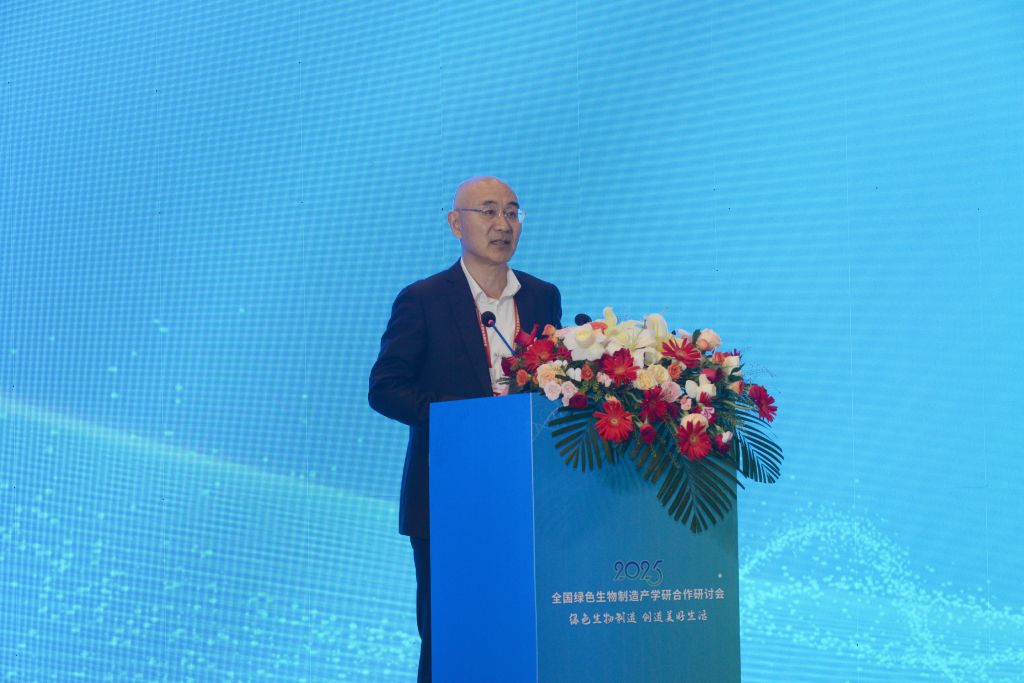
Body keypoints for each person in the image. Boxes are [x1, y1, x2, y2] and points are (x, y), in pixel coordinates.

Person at [368, 176, 562, 682]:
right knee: (450, 642)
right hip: (446, 498)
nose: (503, 224)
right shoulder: (424, 299)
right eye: (489, 211)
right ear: (457, 224)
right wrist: (458, 421)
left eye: (513, 212)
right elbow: (385, 388)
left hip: (524, 500)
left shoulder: (542, 297)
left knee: (519, 636)